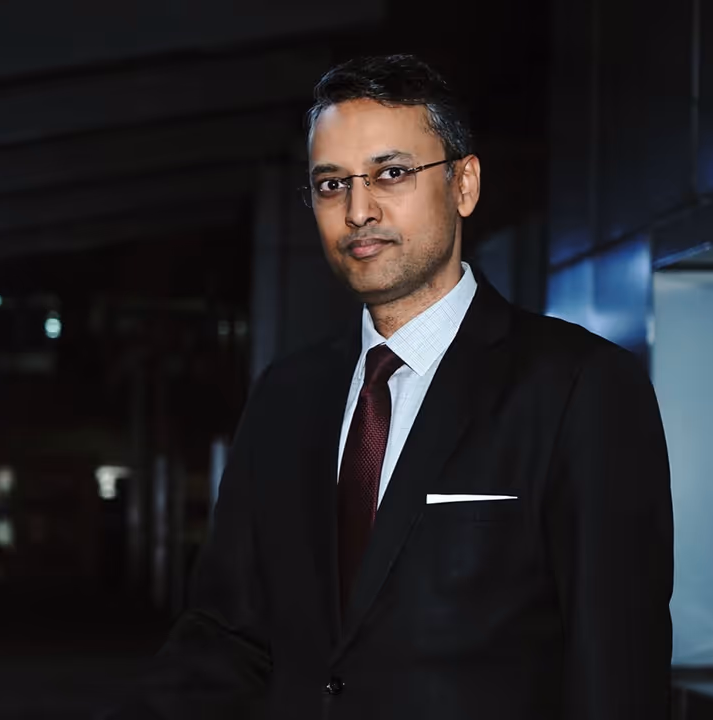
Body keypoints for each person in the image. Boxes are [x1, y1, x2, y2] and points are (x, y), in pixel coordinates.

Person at [112, 54, 672, 720]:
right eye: (330, 184)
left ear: (463, 184)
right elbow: (229, 637)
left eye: (392, 174)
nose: (357, 210)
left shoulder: (582, 387)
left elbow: (617, 673)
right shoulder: (285, 396)